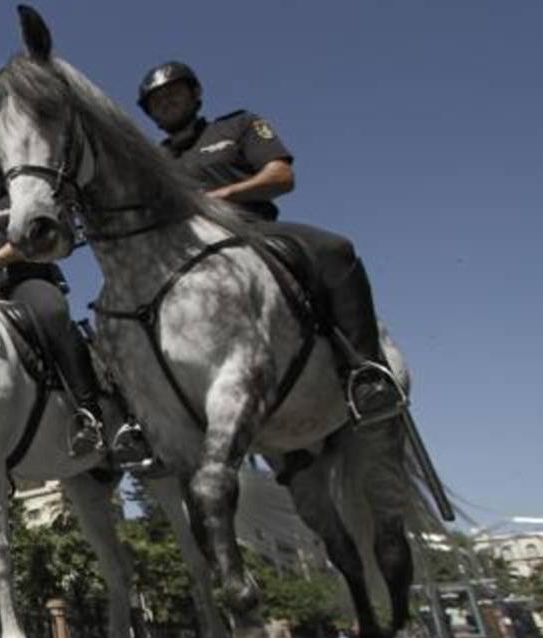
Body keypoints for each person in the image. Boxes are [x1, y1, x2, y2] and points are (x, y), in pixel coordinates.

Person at [137, 61, 405, 425]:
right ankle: (143, 416)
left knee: (334, 250)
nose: (166, 102)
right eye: (157, 101)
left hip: (250, 229)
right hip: (184, 250)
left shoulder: (238, 125)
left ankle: (367, 371)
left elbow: (281, 175)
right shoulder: (153, 160)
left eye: (173, 93)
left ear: (195, 94)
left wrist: (224, 194)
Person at [0, 140, 117, 456]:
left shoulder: (19, 201)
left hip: (28, 282)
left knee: (52, 314)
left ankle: (89, 413)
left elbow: (31, 238)